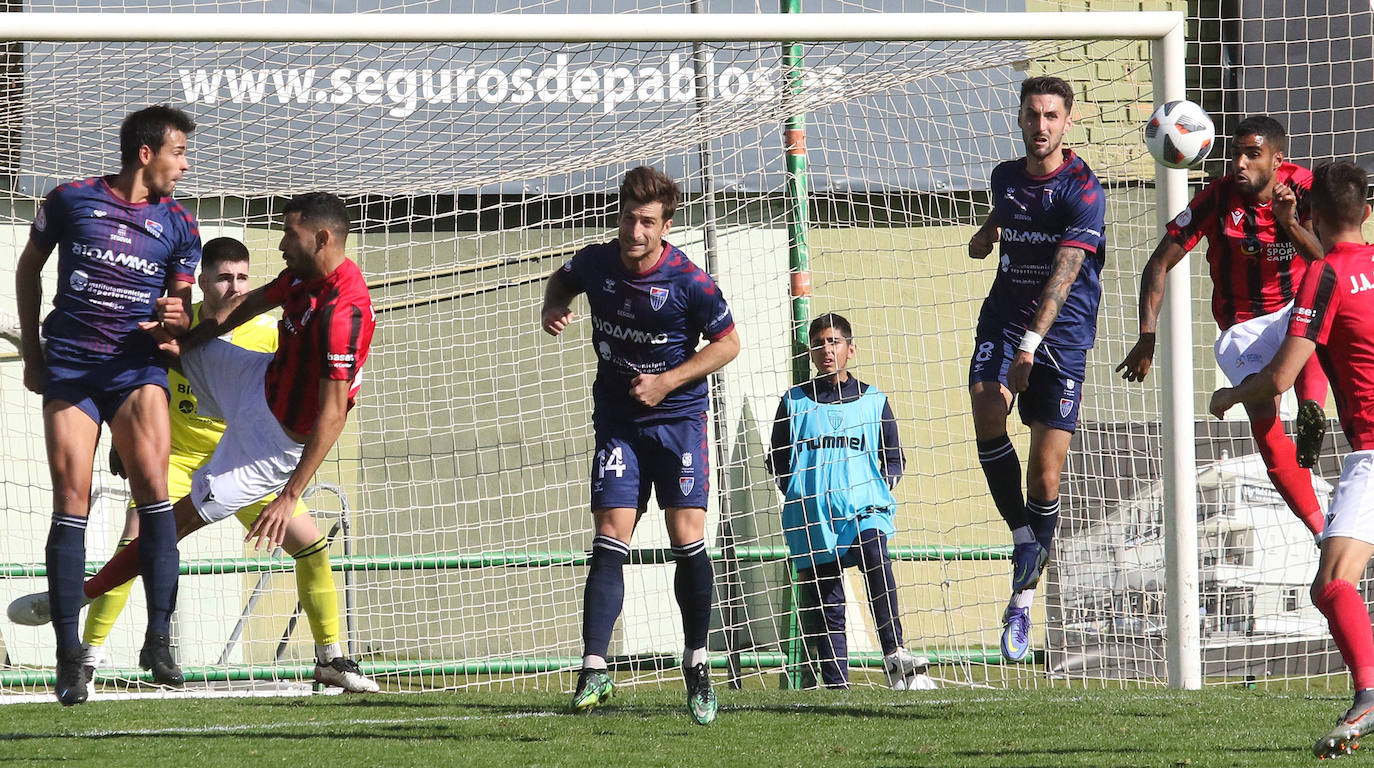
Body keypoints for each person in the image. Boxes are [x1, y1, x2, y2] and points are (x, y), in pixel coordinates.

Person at [9, 192, 378, 694]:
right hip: (256, 385)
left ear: (322, 238)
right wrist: (184, 345)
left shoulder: (344, 313)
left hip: (270, 446)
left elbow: (334, 413)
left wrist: (291, 494)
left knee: (179, 525)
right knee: (157, 347)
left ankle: (76, 597)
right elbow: (249, 306)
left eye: (289, 233)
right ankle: (77, 347)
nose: (282, 242)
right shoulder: (299, 277)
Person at [12, 105, 200, 705]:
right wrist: (36, 357)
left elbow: (179, 320)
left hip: (135, 370)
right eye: (179, 152)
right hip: (69, 368)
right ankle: (70, 658)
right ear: (146, 153)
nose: (185, 164)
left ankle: (159, 639)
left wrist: (179, 317)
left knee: (154, 492)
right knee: (73, 500)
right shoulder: (69, 199)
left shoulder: (181, 226)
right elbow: (28, 269)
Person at [540, 166, 740, 724]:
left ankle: (698, 666)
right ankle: (594, 669)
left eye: (647, 222)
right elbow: (562, 280)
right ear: (618, 216)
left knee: (686, 536)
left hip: (677, 420)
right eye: (628, 217)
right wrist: (552, 305)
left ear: (665, 226)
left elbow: (728, 344)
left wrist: (668, 381)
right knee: (609, 532)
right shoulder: (595, 262)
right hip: (619, 422)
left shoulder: (688, 281)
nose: (635, 231)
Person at [1206, 161, 1374, 759]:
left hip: (1372, 454)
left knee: (1331, 586)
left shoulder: (1324, 277)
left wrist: (1229, 395)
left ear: (1313, 219)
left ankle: (1369, 695)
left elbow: (1277, 375)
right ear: (1368, 214)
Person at [1118, 116, 1329, 538]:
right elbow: (1158, 263)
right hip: (1242, 329)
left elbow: (1324, 257)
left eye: (1253, 154)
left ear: (1277, 159)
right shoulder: (1217, 198)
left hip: (1292, 309)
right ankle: (1319, 528)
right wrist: (1147, 336)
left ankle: (1312, 410)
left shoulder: (1302, 189)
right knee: (1267, 431)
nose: (1240, 162)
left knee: (1317, 308)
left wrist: (1288, 223)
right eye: (1236, 153)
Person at [966, 76, 1107, 664]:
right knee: (984, 405)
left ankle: (1022, 599)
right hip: (1002, 318)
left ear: (1067, 121)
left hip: (1060, 335)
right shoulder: (1005, 175)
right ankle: (1025, 540)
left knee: (1044, 479)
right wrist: (986, 234)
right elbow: (1004, 217)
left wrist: (1030, 346)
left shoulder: (1083, 190)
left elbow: (1067, 270)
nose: (1040, 125)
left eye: (1051, 115)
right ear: (1020, 118)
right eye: (1032, 114)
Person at [766, 312, 934, 690]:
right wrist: (801, 492)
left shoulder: (874, 401)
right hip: (814, 519)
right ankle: (837, 687)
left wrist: (875, 487)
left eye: (834, 342)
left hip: (863, 512)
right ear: (809, 352)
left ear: (850, 349)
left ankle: (895, 654)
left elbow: (893, 457)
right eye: (819, 343)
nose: (826, 350)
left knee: (876, 554)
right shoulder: (793, 403)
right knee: (829, 604)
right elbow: (777, 459)